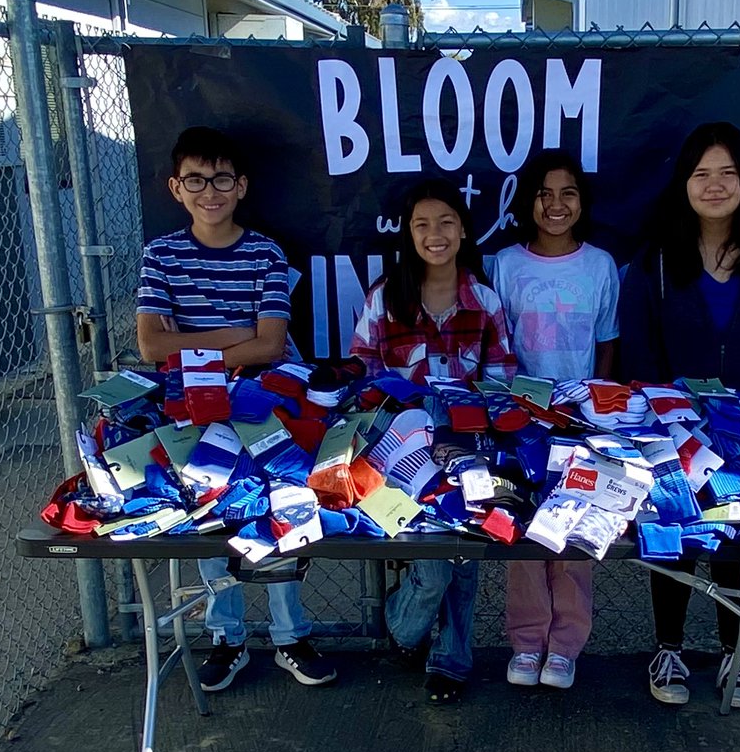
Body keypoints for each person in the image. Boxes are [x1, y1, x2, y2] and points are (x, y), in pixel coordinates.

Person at [619, 121, 740, 708]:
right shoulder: (654, 262)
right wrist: (659, 432)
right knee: (674, 536)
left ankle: (736, 653)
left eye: (727, 173)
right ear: (684, 182)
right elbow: (639, 358)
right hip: (675, 438)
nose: (714, 185)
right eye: (701, 173)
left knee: (739, 541)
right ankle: (669, 649)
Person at [136, 125, 335, 692]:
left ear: (241, 185)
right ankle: (227, 637)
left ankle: (290, 636)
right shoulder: (161, 255)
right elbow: (152, 346)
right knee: (208, 508)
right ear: (176, 188)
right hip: (194, 403)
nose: (210, 191)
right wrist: (237, 332)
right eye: (195, 180)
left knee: (278, 508)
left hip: (268, 400)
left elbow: (272, 346)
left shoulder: (265, 253)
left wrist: (196, 338)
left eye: (221, 178)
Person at [350, 178, 517, 704]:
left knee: (464, 548)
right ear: (408, 234)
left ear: (464, 230)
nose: (434, 234)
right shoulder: (384, 298)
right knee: (435, 563)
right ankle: (403, 626)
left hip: (468, 446)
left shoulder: (484, 300)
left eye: (446, 222)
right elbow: (364, 377)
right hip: (401, 452)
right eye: (421, 224)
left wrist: (470, 425)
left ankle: (451, 660)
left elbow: (502, 378)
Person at [489, 149, 619, 690]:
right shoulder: (505, 264)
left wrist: (596, 406)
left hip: (580, 422)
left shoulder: (600, 265)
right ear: (529, 202)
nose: (556, 204)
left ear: (582, 202)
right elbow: (495, 342)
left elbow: (608, 345)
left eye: (567, 193)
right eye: (544, 193)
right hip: (522, 420)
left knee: (573, 533)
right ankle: (526, 639)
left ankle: (566, 645)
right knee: (523, 530)